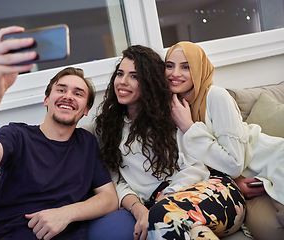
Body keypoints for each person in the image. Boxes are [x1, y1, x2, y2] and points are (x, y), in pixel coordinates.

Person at [0, 26, 118, 240]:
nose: (68, 96)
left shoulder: (86, 142)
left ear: (86, 110)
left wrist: (66, 213)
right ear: (46, 100)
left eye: (78, 93)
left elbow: (109, 199)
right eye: (61, 89)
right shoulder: (17, 135)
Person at [93, 45, 245, 240]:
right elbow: (117, 179)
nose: (123, 82)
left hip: (212, 193)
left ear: (149, 81)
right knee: (191, 233)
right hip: (172, 212)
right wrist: (139, 209)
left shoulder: (171, 113)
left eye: (134, 76)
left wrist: (163, 202)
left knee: (162, 219)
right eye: (120, 74)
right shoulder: (107, 126)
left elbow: (196, 167)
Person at [160, 41, 284, 239]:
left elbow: (234, 163)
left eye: (186, 66)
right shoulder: (175, 107)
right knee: (268, 230)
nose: (175, 73)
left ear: (200, 68)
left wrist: (189, 128)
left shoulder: (216, 96)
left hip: (272, 161)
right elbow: (196, 166)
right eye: (169, 65)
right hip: (248, 183)